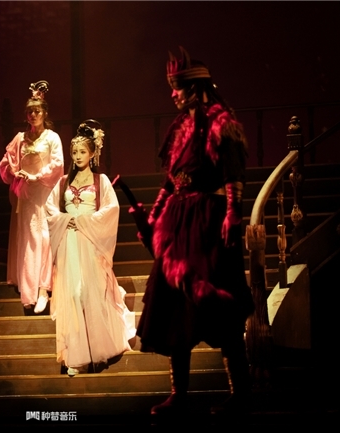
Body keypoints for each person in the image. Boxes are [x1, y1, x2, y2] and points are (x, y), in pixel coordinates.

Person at [133, 47, 254, 414]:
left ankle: (241, 393)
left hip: (208, 222)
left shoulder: (220, 122)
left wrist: (233, 214)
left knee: (219, 305)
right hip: (178, 223)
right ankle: (180, 394)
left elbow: (232, 172)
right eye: (172, 87)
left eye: (178, 87)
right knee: (174, 310)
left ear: (196, 88)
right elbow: (172, 180)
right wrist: (154, 216)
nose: (173, 94)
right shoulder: (180, 127)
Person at [46, 120, 135, 376]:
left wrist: (85, 221)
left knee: (90, 293)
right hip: (70, 241)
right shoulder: (64, 182)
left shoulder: (101, 180)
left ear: (92, 153)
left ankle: (99, 347)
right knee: (73, 295)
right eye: (74, 152)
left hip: (90, 240)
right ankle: (77, 356)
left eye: (82, 152)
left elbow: (111, 209)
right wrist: (66, 219)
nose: (77, 156)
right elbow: (50, 209)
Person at [0, 81, 64, 314]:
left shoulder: (52, 137)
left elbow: (57, 164)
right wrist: (15, 172)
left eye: (37, 111)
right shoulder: (20, 138)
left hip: (45, 193)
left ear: (44, 113)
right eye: (30, 111)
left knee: (45, 238)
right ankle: (29, 294)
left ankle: (44, 289)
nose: (34, 115)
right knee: (28, 240)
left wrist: (37, 176)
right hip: (25, 196)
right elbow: (5, 164)